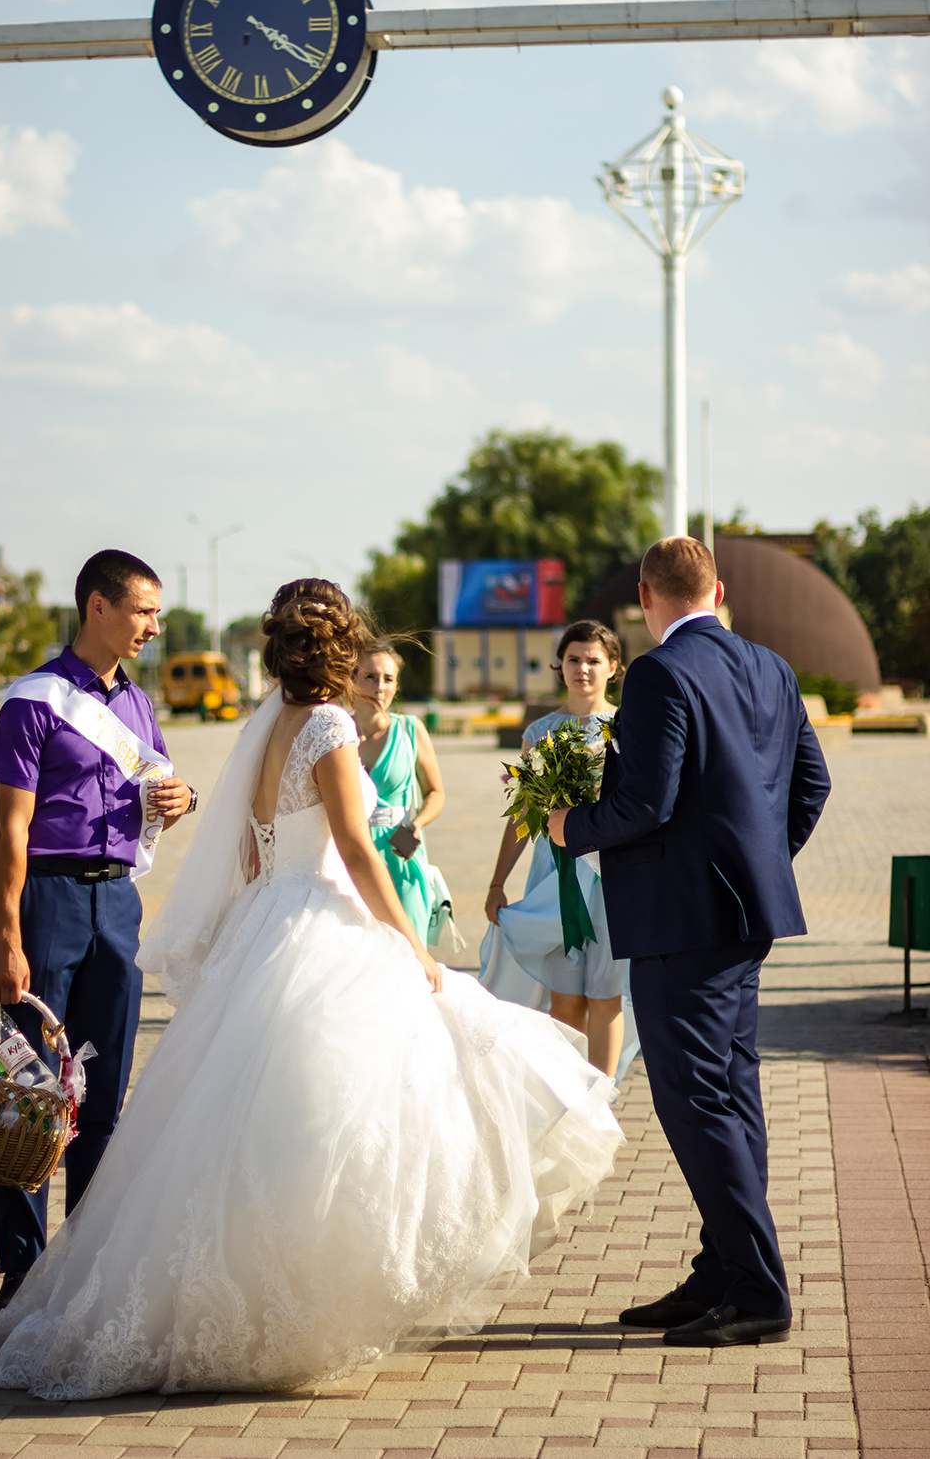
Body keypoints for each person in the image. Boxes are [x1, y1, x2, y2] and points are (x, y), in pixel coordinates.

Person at [0, 578, 622, 1397]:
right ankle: (291, 1296)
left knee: (242, 1126)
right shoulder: (330, 725)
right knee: (331, 1119)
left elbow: (250, 854)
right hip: (322, 919)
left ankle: (205, 1288)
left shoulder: (268, 723)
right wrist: (413, 946)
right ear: (339, 649)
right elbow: (357, 847)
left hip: (271, 918)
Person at [548, 537, 831, 1348]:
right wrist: (759, 864)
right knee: (732, 1095)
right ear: (720, 588)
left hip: (681, 923)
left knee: (697, 1100)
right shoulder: (772, 666)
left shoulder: (661, 674)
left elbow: (644, 803)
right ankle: (720, 1271)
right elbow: (812, 783)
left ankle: (759, 1290)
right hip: (747, 921)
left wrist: (571, 828)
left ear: (645, 597)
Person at [0, 549, 195, 1316]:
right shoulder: (32, 701)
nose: (154, 626)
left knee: (101, 1094)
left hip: (119, 908)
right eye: (143, 610)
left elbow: (155, 784)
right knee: (31, 1094)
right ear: (97, 607)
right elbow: (10, 833)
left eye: (157, 613)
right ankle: (22, 1273)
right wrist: (7, 941)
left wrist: (181, 798)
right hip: (49, 900)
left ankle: (91, 1266)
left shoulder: (136, 703)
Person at [479, 621, 629, 1078]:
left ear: (613, 668)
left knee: (605, 994)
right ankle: (567, 1096)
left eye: (593, 660)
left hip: (609, 874)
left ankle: (601, 1100)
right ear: (559, 666)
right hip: (555, 874)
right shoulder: (540, 730)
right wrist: (498, 881)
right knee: (565, 997)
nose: (583, 668)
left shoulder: (627, 724)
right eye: (574, 659)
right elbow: (524, 816)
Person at [353, 640, 446, 945]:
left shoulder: (410, 729)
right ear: (350, 678)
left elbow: (435, 792)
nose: (380, 687)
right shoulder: (336, 733)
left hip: (400, 850)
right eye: (370, 677)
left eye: (388, 679)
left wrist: (417, 826)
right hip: (351, 853)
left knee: (409, 955)